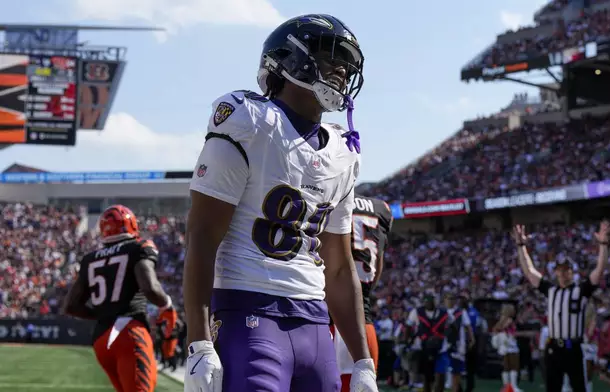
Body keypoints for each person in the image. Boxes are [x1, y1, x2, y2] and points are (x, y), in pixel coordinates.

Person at [182, 13, 376, 392]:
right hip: (248, 310)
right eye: (329, 59)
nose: (340, 72)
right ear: (290, 60)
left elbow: (338, 268)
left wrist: (362, 360)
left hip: (315, 321)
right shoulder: (249, 121)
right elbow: (203, 235)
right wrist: (199, 341)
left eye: (345, 65)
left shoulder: (343, 152)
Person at [63, 205, 173, 392]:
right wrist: (167, 305)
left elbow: (71, 306)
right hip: (129, 332)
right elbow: (150, 288)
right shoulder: (138, 248)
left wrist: (104, 314)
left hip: (101, 339)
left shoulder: (90, 258)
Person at [513, 221, 610, 392]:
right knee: (553, 388)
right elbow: (529, 271)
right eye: (560, 270)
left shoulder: (580, 291)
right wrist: (521, 246)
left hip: (573, 347)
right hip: (554, 348)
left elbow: (599, 271)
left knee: (579, 387)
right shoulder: (551, 290)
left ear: (572, 272)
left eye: (566, 270)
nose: (562, 273)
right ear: (555, 272)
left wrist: (603, 244)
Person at [333, 195, 393, 391]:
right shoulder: (381, 208)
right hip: (363, 324)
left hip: (326, 320)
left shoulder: (330, 194)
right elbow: (378, 267)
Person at [406, 293, 450, 392]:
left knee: (440, 374)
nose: (429, 303)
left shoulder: (444, 313)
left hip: (441, 348)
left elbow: (452, 326)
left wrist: (450, 339)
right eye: (427, 301)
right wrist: (408, 340)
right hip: (423, 348)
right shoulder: (416, 312)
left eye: (432, 301)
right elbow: (408, 326)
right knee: (427, 376)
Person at [444, 293, 475, 392]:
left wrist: (472, 339)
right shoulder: (441, 312)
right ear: (445, 300)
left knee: (456, 372)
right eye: (449, 299)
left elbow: (468, 326)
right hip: (443, 344)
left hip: (458, 345)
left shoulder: (461, 312)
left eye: (453, 299)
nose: (451, 301)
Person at [492, 304, 521, 392]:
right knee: (513, 366)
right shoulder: (507, 319)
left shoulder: (503, 319)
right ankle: (512, 386)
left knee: (507, 367)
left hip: (506, 345)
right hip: (509, 344)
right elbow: (496, 329)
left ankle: (507, 386)